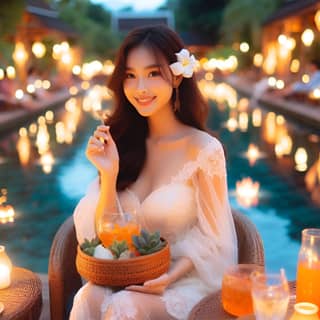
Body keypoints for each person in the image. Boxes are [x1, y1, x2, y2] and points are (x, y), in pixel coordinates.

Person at [70, 24, 238, 320]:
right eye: (130, 76)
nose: (141, 89)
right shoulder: (120, 142)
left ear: (176, 76)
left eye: (152, 74)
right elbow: (105, 235)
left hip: (185, 279)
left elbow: (216, 239)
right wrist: (109, 175)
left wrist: (169, 276)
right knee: (88, 296)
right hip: (127, 275)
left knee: (125, 306)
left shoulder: (204, 150)